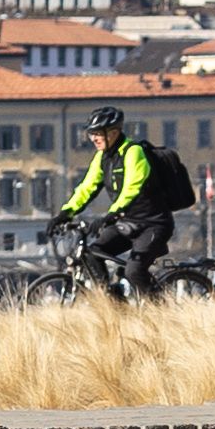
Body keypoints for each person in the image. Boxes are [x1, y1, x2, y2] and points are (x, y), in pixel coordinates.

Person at [53, 104, 170, 297]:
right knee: (92, 253)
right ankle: (112, 302)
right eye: (91, 134)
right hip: (127, 222)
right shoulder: (103, 157)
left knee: (134, 271)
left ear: (114, 132)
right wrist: (65, 213)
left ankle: (158, 313)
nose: (93, 139)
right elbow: (87, 187)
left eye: (98, 133)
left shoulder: (134, 152)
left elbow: (132, 188)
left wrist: (111, 215)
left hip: (153, 224)